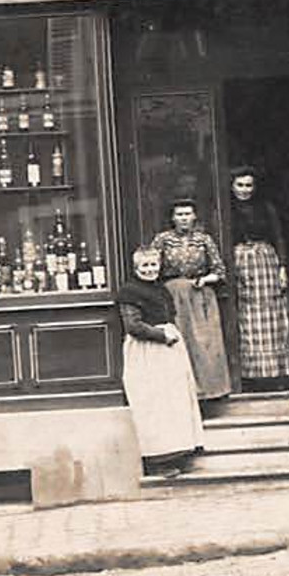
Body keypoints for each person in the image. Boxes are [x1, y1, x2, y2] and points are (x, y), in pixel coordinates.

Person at [116, 246, 203, 477]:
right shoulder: (130, 292)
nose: (150, 269)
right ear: (136, 268)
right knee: (153, 403)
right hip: (147, 351)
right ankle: (158, 459)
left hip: (167, 350)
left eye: (153, 265)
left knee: (173, 400)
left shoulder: (161, 289)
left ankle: (178, 451)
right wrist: (162, 335)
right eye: (144, 266)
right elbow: (133, 326)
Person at [149, 198, 232, 403]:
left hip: (199, 296)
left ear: (194, 216)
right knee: (180, 342)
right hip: (173, 296)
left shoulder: (204, 240)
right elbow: (150, 267)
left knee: (203, 344)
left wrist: (204, 280)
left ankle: (207, 394)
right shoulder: (163, 240)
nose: (184, 218)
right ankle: (181, 395)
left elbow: (220, 271)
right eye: (179, 214)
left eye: (187, 214)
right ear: (172, 218)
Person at [227, 166, 289, 390]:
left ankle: (277, 375)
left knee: (273, 316)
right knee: (248, 319)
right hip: (239, 263)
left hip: (266, 263)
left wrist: (282, 267)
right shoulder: (225, 209)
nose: (244, 190)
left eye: (249, 185)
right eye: (240, 185)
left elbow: (278, 237)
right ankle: (251, 377)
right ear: (231, 185)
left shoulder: (266, 209)